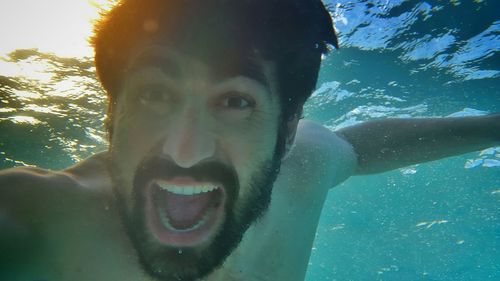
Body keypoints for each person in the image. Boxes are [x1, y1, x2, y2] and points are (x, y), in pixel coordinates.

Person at [0, 0, 498, 280]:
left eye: (236, 101)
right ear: (112, 114)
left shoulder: (303, 165)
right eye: (155, 94)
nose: (185, 151)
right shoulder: (41, 220)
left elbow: (359, 146)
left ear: (287, 128)